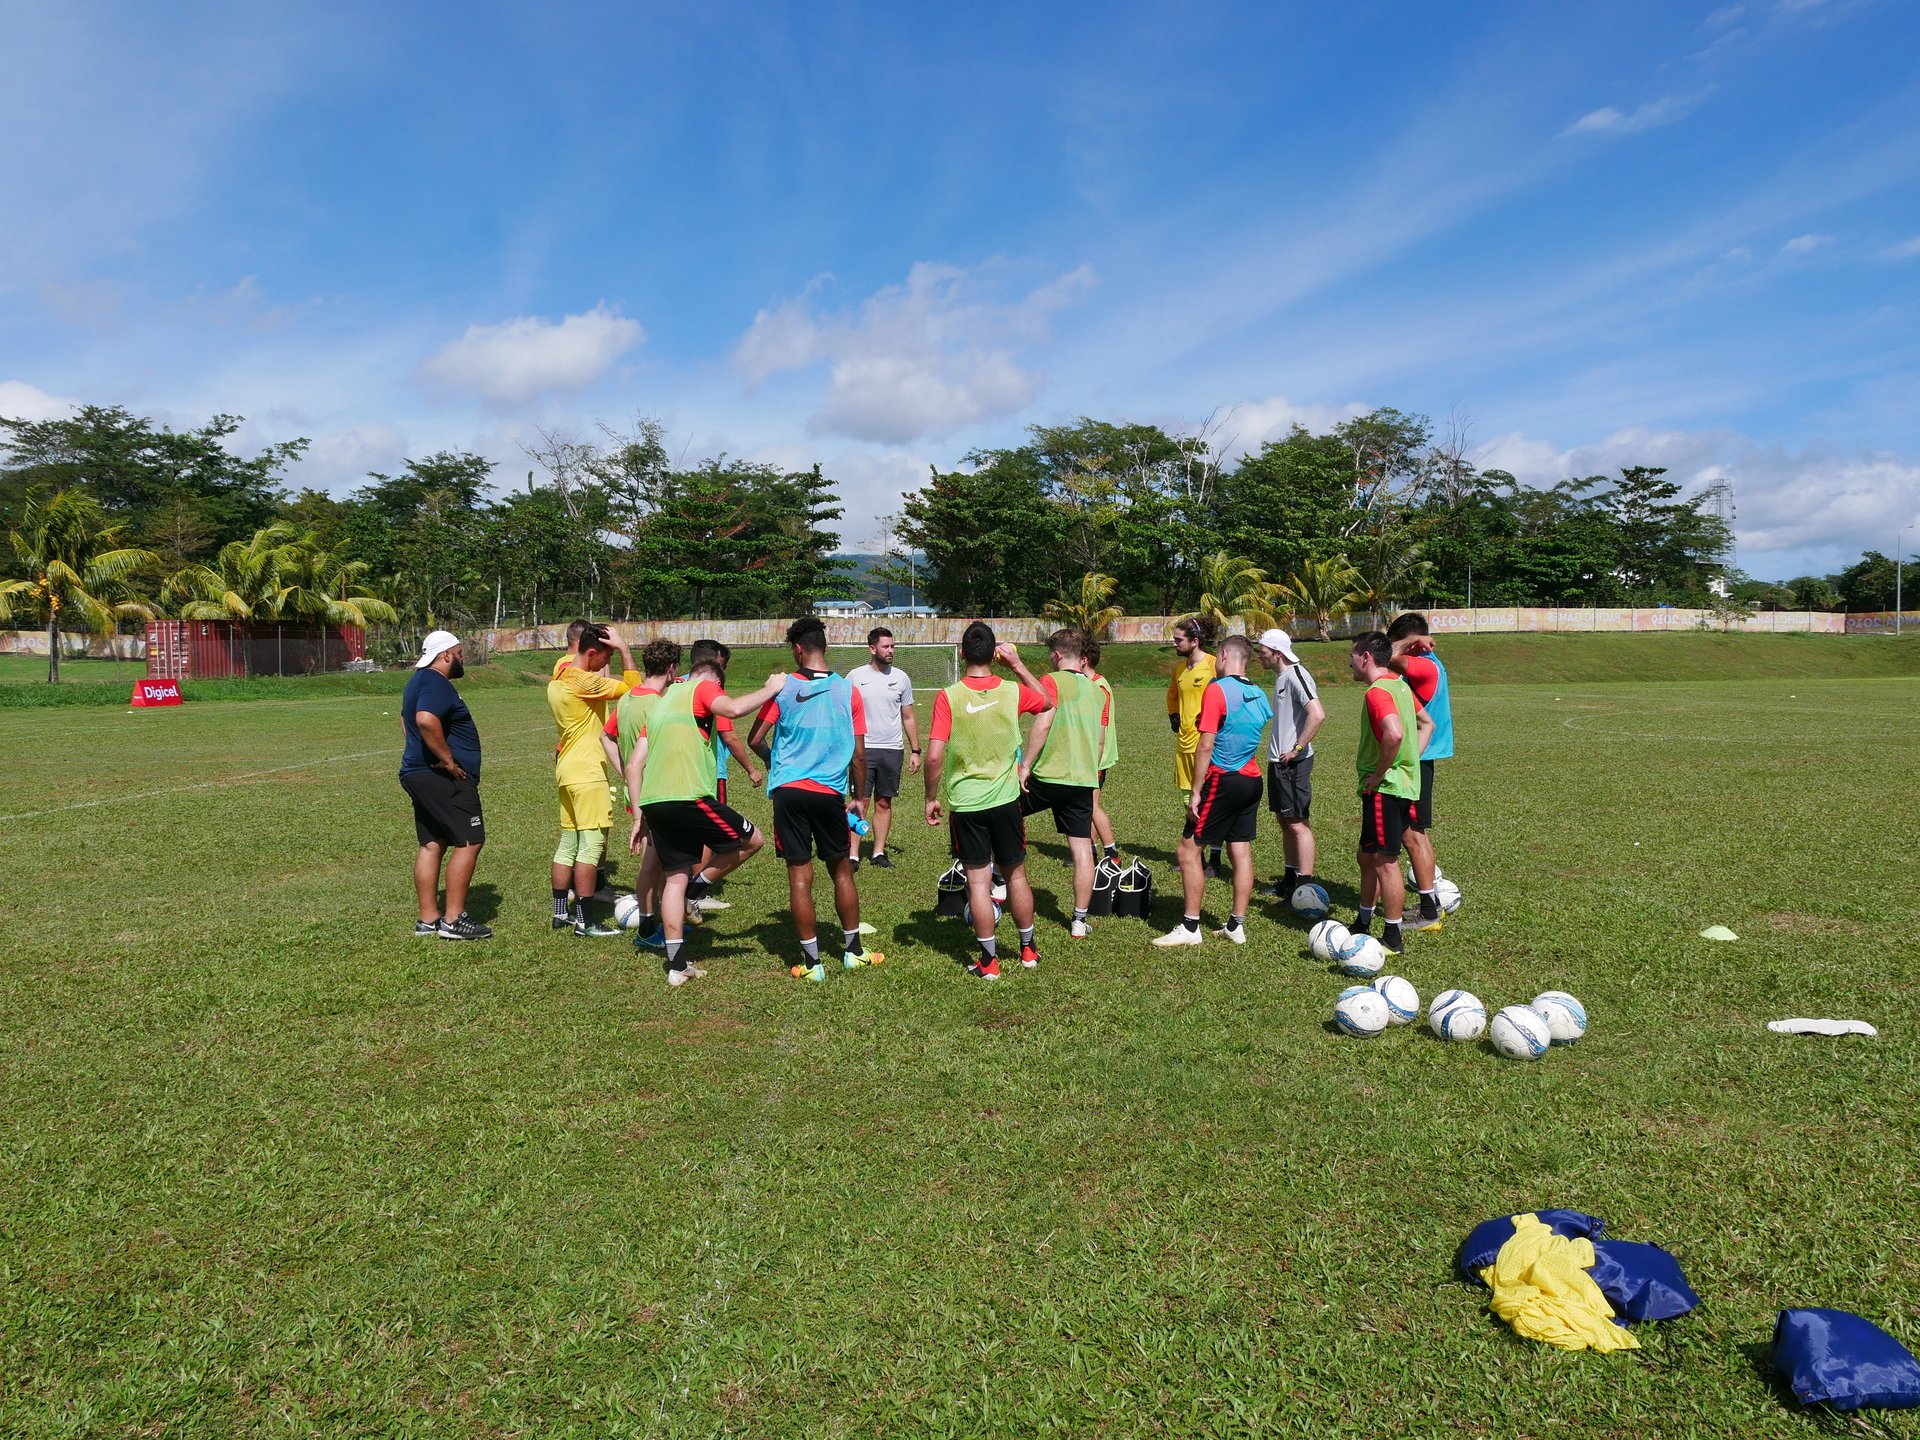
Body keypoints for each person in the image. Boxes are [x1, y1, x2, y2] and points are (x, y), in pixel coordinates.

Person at [628, 657, 785, 986]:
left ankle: (677, 965)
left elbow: (633, 766)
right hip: (689, 797)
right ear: (714, 680)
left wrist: (641, 816)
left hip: (655, 802)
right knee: (752, 840)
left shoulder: (659, 706)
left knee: (674, 880)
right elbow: (733, 710)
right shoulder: (703, 685)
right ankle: (697, 891)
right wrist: (771, 688)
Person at [748, 617, 880, 981]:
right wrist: (860, 797)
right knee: (841, 871)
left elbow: (755, 738)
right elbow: (858, 755)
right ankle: (853, 952)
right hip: (829, 794)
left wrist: (779, 764)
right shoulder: (848, 690)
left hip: (789, 794)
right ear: (825, 646)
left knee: (800, 878)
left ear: (797, 649)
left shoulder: (783, 687)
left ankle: (812, 964)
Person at [924, 622, 1055, 979]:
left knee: (979, 882)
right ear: (995, 655)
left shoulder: (948, 696)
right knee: (1016, 874)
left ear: (962, 653)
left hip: (967, 804)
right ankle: (1028, 950)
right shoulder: (1012, 691)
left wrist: (930, 797)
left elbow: (934, 756)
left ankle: (989, 961)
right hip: (1006, 801)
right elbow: (1046, 700)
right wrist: (1017, 665)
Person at [1154, 635, 1272, 947]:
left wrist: (1195, 791)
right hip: (1252, 781)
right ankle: (1236, 924)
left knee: (1187, 851)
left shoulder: (1216, 690)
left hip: (1222, 780)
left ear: (1221, 656)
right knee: (1240, 850)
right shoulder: (1259, 694)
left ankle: (1191, 927)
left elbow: (1205, 744)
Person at [398, 629, 491, 940]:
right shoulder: (436, 681)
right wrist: (448, 760)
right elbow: (424, 719)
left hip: (417, 773)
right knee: (469, 840)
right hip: (442, 778)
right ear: (446, 655)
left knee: (432, 843)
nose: (463, 658)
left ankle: (428, 919)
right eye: (459, 653)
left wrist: (419, 751)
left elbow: (404, 720)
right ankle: (453, 921)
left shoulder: (417, 681)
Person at [548, 620, 638, 937]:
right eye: (604, 657)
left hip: (567, 769)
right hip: (587, 772)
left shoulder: (559, 676)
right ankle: (586, 922)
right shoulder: (584, 682)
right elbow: (632, 688)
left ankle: (561, 913)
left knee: (568, 843)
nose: (606, 665)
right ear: (591, 653)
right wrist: (625, 649)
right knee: (591, 846)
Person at [1348, 630, 1433, 956]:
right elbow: (1427, 724)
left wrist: (1382, 771)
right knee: (1367, 856)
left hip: (1385, 787)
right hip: (1400, 785)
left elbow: (1394, 733)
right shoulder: (1400, 684)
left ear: (1366, 657)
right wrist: (1411, 762)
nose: (1349, 664)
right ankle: (1363, 921)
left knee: (1385, 861)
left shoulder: (1378, 691)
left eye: (1352, 657)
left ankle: (1393, 939)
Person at [1021, 628, 1109, 938]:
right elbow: (1099, 743)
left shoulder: (1051, 680)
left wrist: (1025, 765)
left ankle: (997, 883)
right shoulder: (1099, 691)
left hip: (1048, 777)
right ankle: (1078, 921)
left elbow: (1043, 723)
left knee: (1000, 814)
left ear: (1057, 655)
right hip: (1083, 780)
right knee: (1082, 849)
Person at [606, 638, 680, 949]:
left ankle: (659, 923)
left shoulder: (626, 700)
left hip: (637, 793)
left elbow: (605, 737)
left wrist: (625, 770)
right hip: (654, 796)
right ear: (673, 668)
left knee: (661, 862)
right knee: (653, 865)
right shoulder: (659, 704)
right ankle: (648, 930)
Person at [1388, 611, 1453, 932]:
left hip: (1418, 757)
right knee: (1415, 833)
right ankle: (1431, 905)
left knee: (1411, 834)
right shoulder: (1432, 662)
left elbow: (1385, 656)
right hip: (1421, 757)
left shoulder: (1424, 664)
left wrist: (1408, 642)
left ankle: (1429, 911)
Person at [1255, 628, 1327, 901]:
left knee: (1298, 823)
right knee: (1285, 821)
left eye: (1262, 651)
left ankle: (1305, 888)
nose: (1258, 655)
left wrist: (1297, 748)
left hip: (1293, 763)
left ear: (1277, 653)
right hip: (1279, 762)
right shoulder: (1281, 677)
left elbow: (1317, 714)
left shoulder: (1296, 675)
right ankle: (1290, 880)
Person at [845, 626, 919, 869]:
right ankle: (853, 855)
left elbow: (908, 716)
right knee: (860, 801)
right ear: (872, 648)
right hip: (862, 750)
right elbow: (843, 714)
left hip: (891, 749)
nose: (891, 650)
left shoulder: (901, 678)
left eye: (893, 646)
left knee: (884, 802)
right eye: (886, 646)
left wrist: (915, 750)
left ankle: (878, 852)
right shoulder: (855, 677)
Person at [1166, 616, 1220, 875]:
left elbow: (1225, 695)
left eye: (1178, 640)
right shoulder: (1179, 669)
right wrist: (1173, 714)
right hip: (1184, 744)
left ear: (1195, 641)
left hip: (1206, 745)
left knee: (1210, 800)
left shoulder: (1213, 665)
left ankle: (1214, 858)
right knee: (1190, 800)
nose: (1174, 643)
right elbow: (1172, 694)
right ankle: (1196, 853)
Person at [1085, 637, 1122, 862]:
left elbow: (1100, 728)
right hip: (1090, 758)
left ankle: (1112, 852)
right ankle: (1090, 851)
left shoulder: (1098, 687)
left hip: (1096, 759)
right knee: (1086, 806)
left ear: (1084, 660)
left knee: (1092, 806)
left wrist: (1094, 760)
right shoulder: (1092, 684)